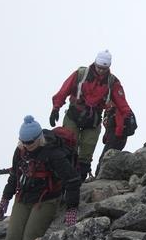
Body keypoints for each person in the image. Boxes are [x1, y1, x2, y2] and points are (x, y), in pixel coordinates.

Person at [50, 50, 136, 182]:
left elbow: (121, 102)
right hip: (74, 116)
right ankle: (63, 182)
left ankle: (79, 184)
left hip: (93, 121)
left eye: (104, 68)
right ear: (95, 63)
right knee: (68, 148)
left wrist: (128, 115)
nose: (101, 70)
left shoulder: (112, 82)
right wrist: (56, 108)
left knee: (85, 155)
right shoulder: (80, 74)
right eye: (99, 67)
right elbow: (64, 91)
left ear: (108, 67)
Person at [0, 116, 80, 240]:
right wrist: (5, 199)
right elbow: (14, 176)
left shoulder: (53, 153)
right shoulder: (20, 151)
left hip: (46, 199)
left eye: (30, 142)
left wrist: (72, 208)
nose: (27, 145)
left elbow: (72, 180)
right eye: (23, 141)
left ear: (38, 138)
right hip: (23, 197)